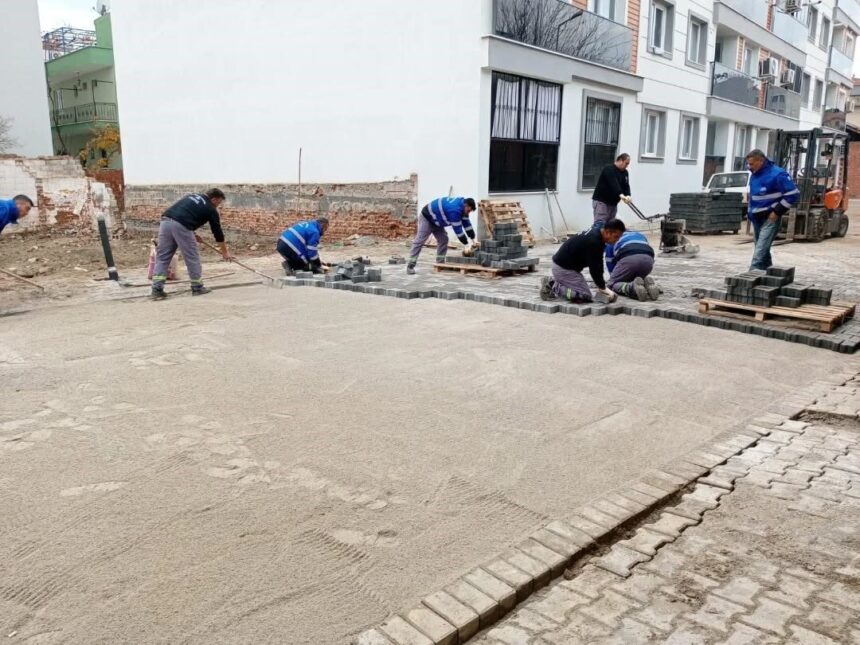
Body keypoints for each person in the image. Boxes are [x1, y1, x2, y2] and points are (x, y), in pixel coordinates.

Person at [151, 188, 231, 300]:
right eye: (219, 202)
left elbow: (183, 212)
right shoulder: (211, 209)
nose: (218, 205)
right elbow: (217, 232)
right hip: (182, 226)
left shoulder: (192, 196)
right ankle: (197, 287)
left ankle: (157, 289)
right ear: (214, 199)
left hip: (166, 221)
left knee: (163, 257)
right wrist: (225, 252)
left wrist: (192, 232)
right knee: (192, 257)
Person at [540, 218, 626, 303]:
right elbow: (595, 269)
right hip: (563, 269)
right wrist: (603, 288)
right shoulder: (594, 242)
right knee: (584, 295)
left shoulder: (597, 234)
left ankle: (558, 282)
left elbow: (599, 264)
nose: (617, 240)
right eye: (616, 237)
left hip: (567, 267)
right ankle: (553, 285)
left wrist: (601, 286)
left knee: (586, 292)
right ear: (607, 232)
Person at [745, 149, 800, 271]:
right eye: (748, 164)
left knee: (759, 251)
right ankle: (768, 273)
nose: (749, 166)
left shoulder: (777, 174)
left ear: (761, 160)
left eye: (752, 163)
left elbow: (793, 194)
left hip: (770, 217)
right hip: (756, 218)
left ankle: (750, 276)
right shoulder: (755, 175)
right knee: (762, 249)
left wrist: (777, 212)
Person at [407, 196, 477, 274]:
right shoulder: (454, 210)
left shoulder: (463, 209)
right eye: (468, 210)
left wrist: (473, 238)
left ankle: (440, 263)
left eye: (470, 211)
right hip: (427, 218)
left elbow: (467, 224)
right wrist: (466, 245)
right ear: (466, 205)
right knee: (419, 241)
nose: (468, 212)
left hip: (437, 222)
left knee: (443, 240)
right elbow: (458, 230)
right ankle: (411, 265)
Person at [605, 230, 659, 300]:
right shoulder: (638, 234)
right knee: (637, 279)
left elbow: (609, 262)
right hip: (648, 260)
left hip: (629, 259)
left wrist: (613, 278)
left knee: (611, 285)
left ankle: (631, 287)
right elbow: (646, 247)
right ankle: (647, 285)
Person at [592, 153, 632, 223]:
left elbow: (626, 185)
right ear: (620, 160)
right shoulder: (609, 169)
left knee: (610, 227)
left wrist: (628, 195)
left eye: (628, 164)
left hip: (613, 203)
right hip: (602, 202)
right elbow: (614, 184)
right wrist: (621, 195)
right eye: (626, 163)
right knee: (600, 225)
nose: (627, 166)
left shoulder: (625, 173)